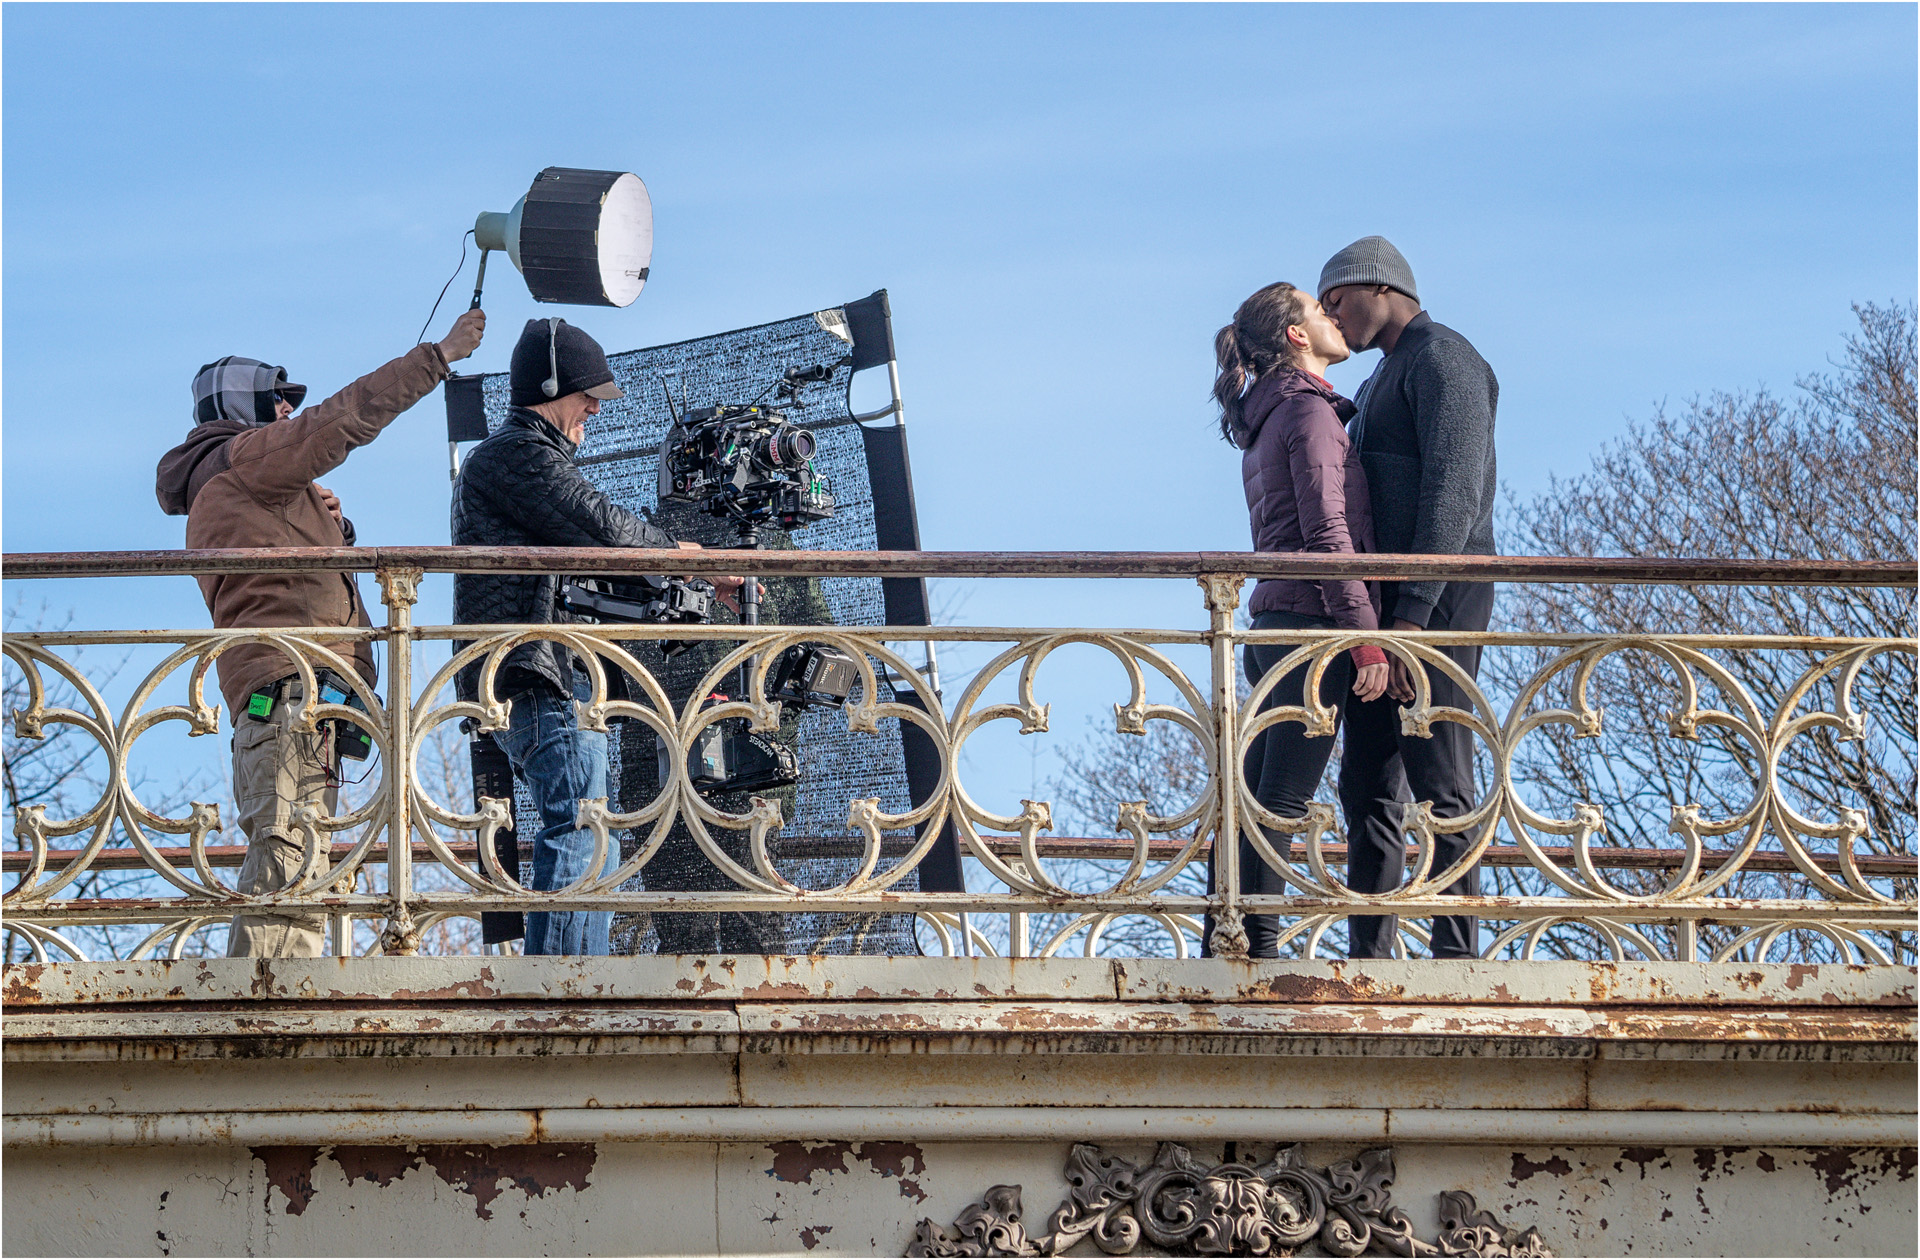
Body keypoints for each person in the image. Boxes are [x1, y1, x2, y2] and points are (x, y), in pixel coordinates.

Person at [156, 308, 488, 958]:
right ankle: (261, 1025)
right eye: (276, 399)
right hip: (291, 697)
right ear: (244, 406)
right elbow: (339, 420)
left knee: (300, 857)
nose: (287, 410)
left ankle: (285, 1004)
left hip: (298, 700)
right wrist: (438, 356)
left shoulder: (241, 487)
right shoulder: (244, 461)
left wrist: (326, 523)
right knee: (288, 860)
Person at [451, 317, 743, 957]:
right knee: (581, 824)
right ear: (550, 388)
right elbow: (601, 525)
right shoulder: (514, 455)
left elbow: (596, 548)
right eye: (587, 394)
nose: (592, 409)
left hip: (545, 674)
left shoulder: (521, 462)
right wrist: (684, 557)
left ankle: (579, 974)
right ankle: (555, 983)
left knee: (594, 828)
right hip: (534, 677)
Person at [1319, 235, 1498, 960]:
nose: (1333, 317)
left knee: (1438, 768)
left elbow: (1453, 494)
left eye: (1338, 300)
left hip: (1440, 595)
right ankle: (1371, 951)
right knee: (1366, 781)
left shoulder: (1443, 357)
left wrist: (1413, 616)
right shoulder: (1379, 380)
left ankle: (1457, 955)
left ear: (1382, 286)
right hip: (1387, 607)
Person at [1205, 283, 1392, 958]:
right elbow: (1328, 532)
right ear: (1295, 335)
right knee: (1280, 794)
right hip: (1313, 625)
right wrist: (1365, 638)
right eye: (1320, 310)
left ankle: (1223, 938)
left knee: (1254, 793)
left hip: (1273, 625)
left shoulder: (1269, 416)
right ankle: (1256, 948)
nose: (1333, 319)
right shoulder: (1310, 415)